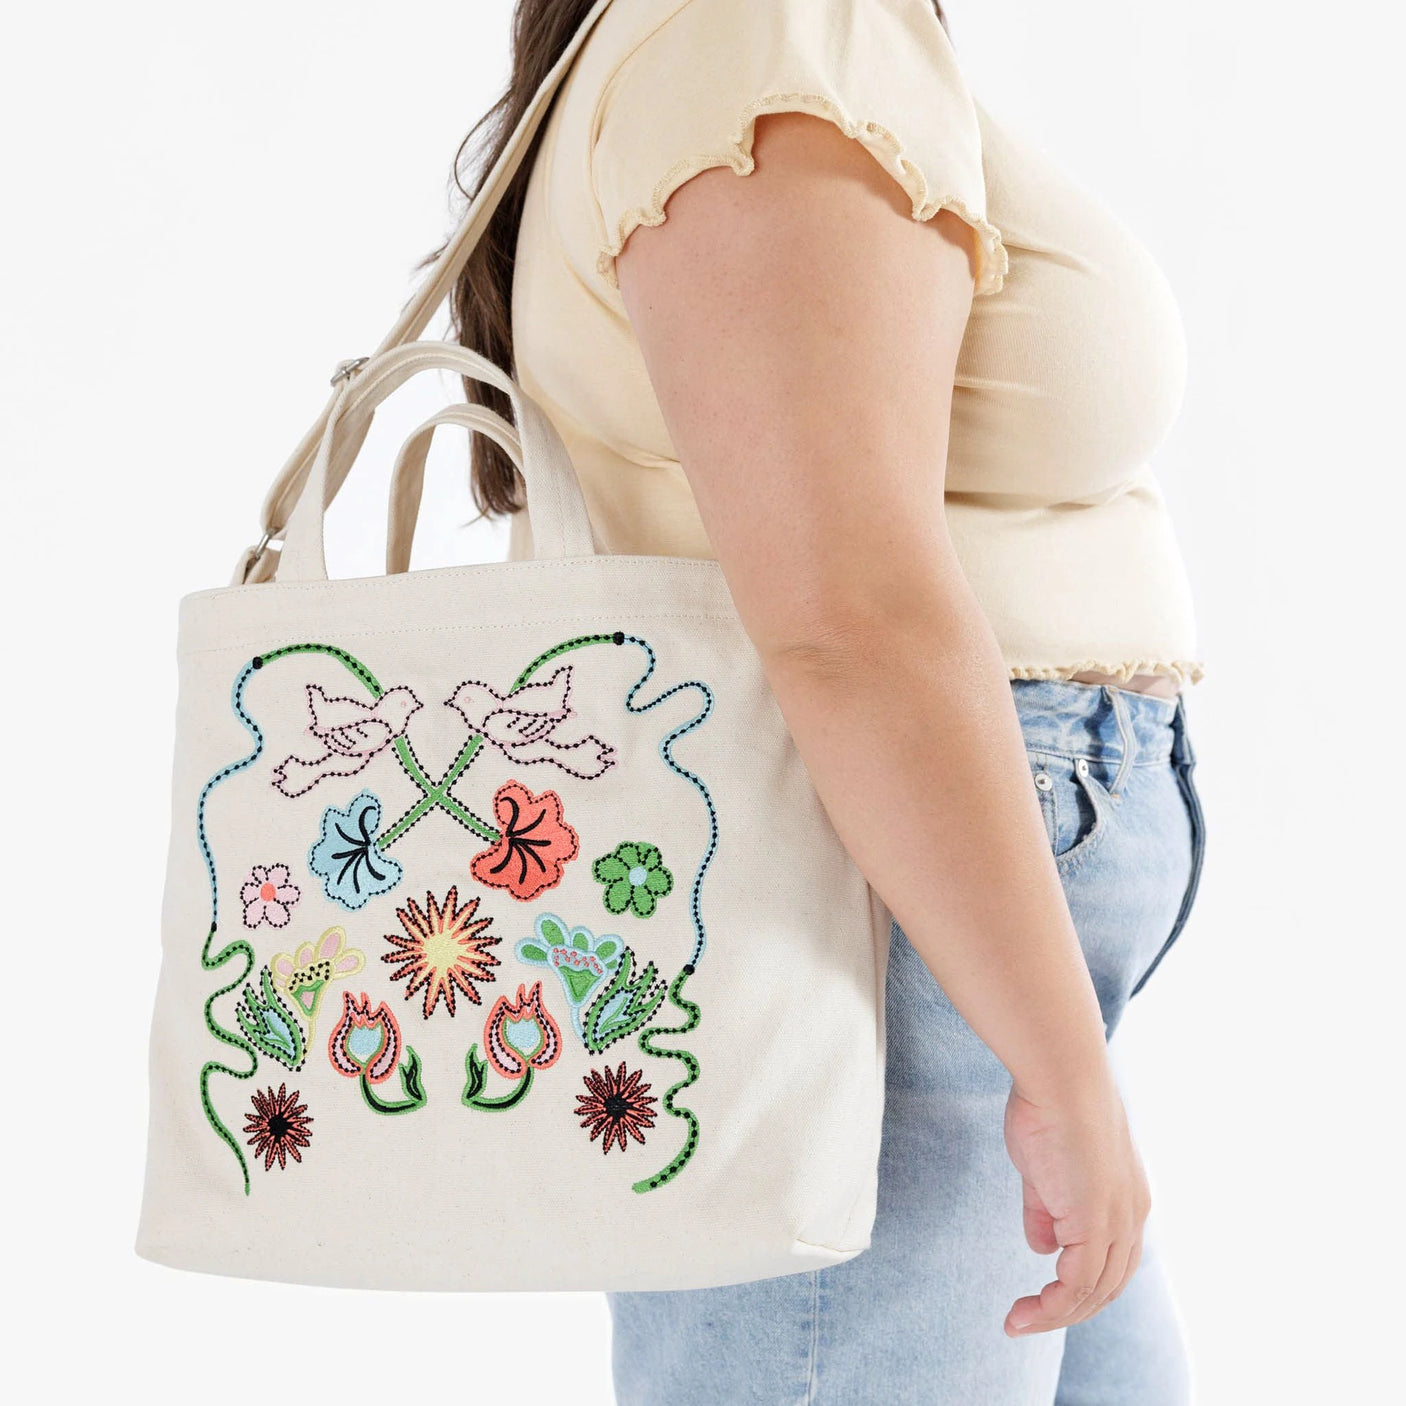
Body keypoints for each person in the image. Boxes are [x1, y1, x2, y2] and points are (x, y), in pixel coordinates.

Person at [449, 0, 1204, 1400]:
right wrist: (1060, 1070)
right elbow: (847, 617)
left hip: (932, 942)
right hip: (895, 930)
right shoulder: (773, 30)